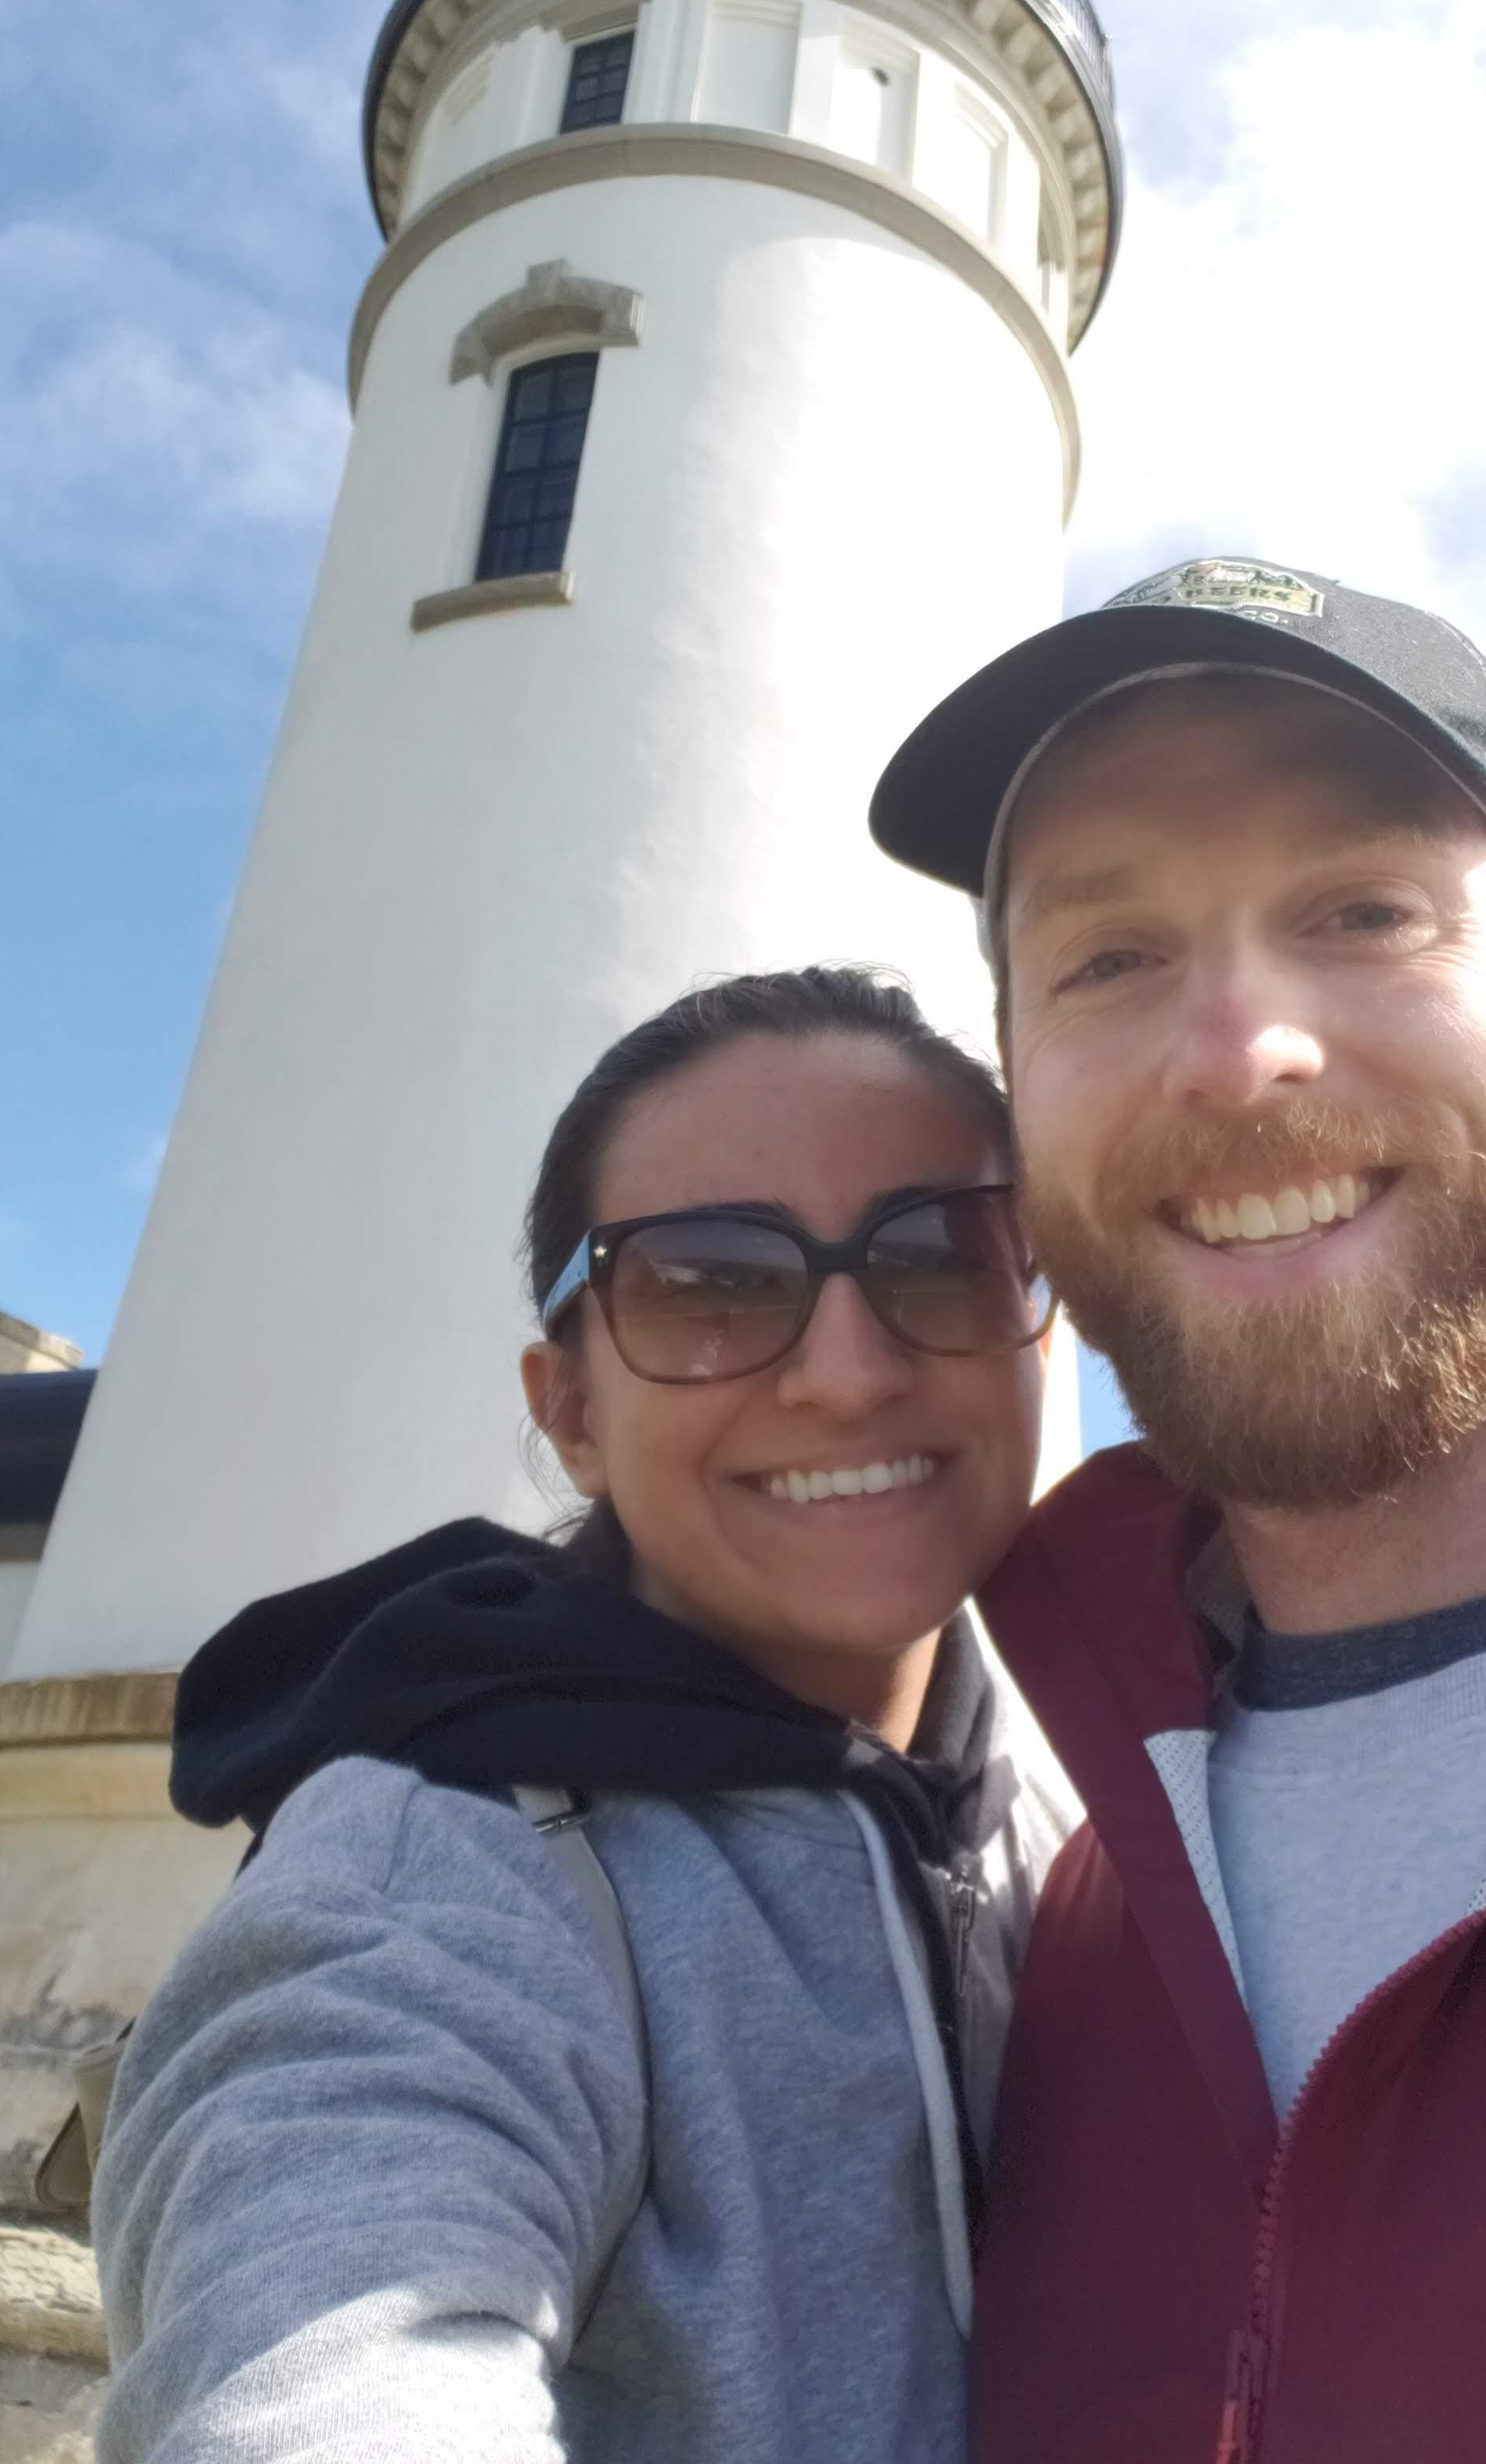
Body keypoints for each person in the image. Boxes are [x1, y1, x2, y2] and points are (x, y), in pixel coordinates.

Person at [867, 558, 1486, 2462]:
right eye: (1109, 960)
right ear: (1018, 1101)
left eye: (1364, 911)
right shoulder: (1035, 1895)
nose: (1240, 1051)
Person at [91, 965, 1079, 2464]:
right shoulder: (434, 1882)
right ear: (570, 1412)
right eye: (705, 1285)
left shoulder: (1108, 1806)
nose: (849, 1374)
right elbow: (325, 2356)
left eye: (941, 1253)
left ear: (1042, 1328)